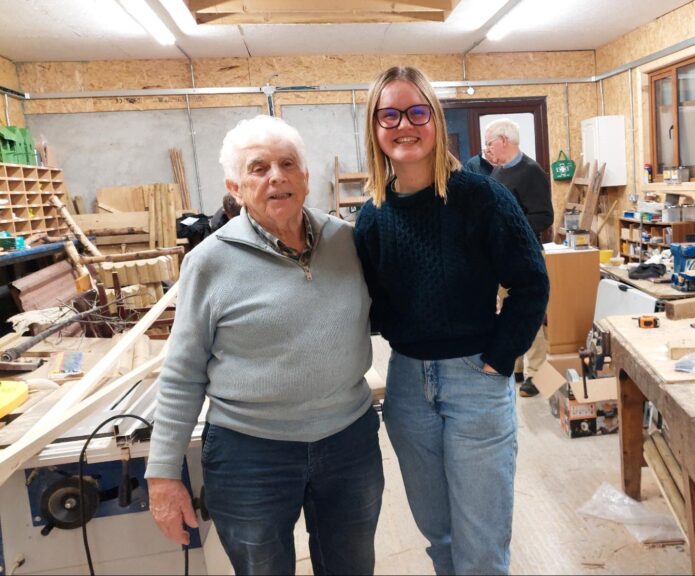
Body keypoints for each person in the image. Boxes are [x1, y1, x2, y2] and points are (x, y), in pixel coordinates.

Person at [145, 114, 383, 576]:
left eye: (288, 164)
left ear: (306, 178)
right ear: (235, 186)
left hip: (349, 442)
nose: (277, 177)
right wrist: (162, 473)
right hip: (249, 454)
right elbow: (182, 372)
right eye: (258, 168)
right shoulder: (209, 262)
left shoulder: (346, 242)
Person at [354, 66, 549, 575]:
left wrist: (500, 358)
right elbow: (367, 305)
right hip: (406, 385)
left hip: (475, 380)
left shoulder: (481, 198)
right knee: (439, 538)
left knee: (481, 549)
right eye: (390, 114)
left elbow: (532, 283)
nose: (405, 124)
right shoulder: (372, 215)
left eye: (417, 111)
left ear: (435, 121)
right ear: (375, 129)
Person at [484, 118, 554, 397]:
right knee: (506, 312)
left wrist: (511, 229)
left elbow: (544, 216)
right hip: (500, 254)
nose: (487, 150)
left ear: (504, 140)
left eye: (489, 143)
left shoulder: (531, 171)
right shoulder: (498, 172)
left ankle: (538, 375)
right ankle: (516, 366)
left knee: (528, 314)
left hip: (524, 254)